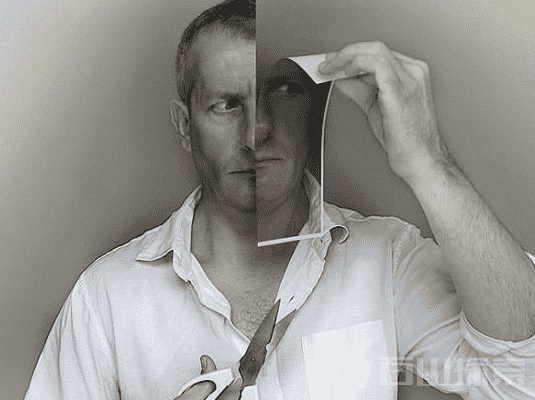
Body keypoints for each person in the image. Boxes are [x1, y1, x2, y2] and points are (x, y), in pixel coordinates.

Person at [25, 0, 535, 399]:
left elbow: (520, 379)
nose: (257, 132)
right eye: (228, 104)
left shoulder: (387, 262)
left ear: (313, 111)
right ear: (184, 126)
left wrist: (430, 163)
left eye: (283, 93)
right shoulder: (105, 300)